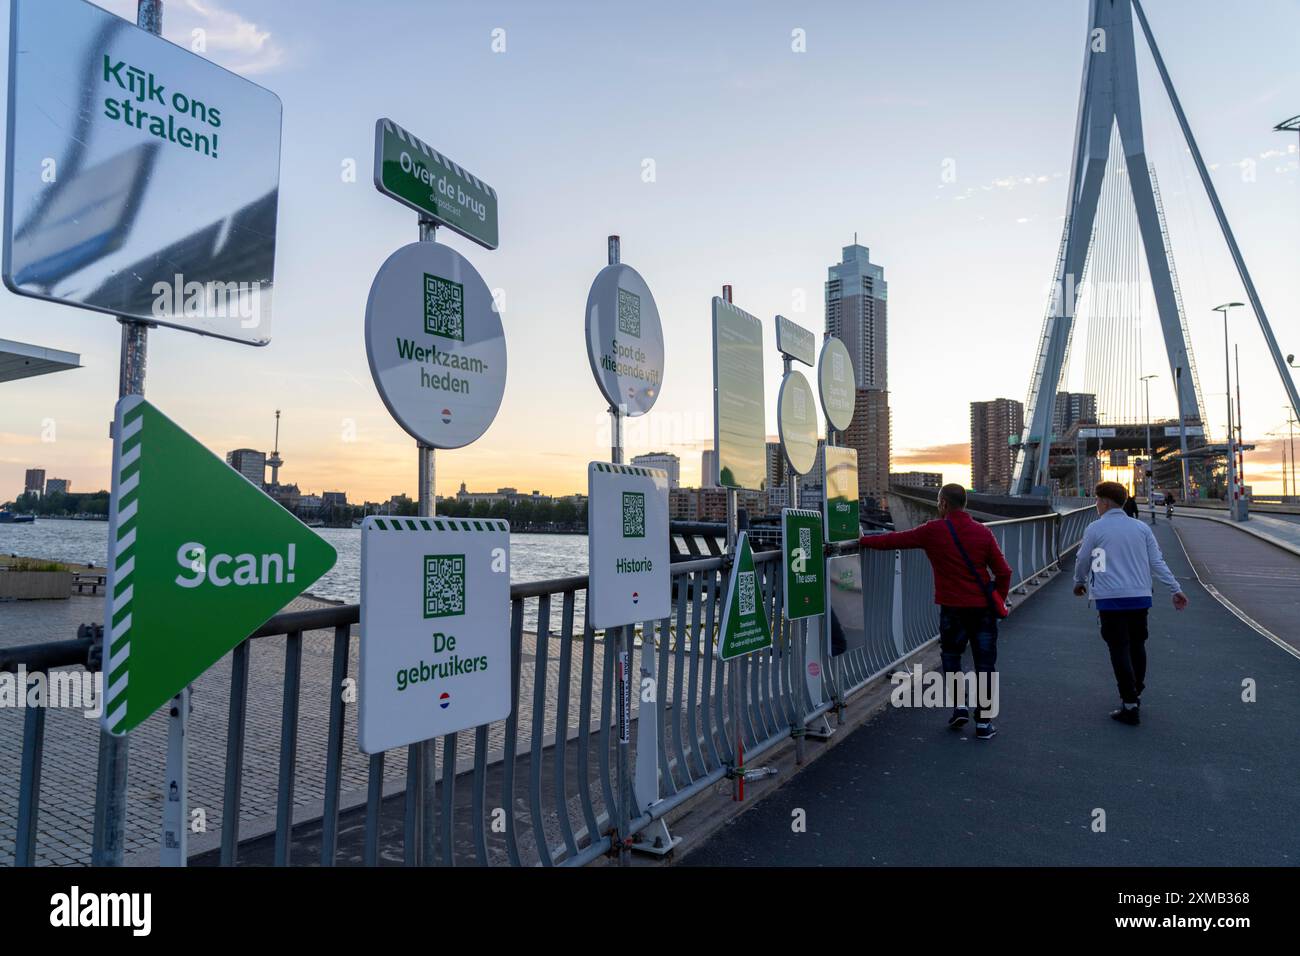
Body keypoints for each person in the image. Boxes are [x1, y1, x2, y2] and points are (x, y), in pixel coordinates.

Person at [859, 483, 1011, 739]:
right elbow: (1004, 572)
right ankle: (984, 723)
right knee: (985, 663)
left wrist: (863, 540)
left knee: (951, 656)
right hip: (982, 610)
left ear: (942, 504)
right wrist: (999, 598)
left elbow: (895, 540)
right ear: (964, 504)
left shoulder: (933, 531)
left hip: (953, 609)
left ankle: (959, 706)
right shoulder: (982, 533)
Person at [1073, 481, 1188, 725]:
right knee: (1137, 645)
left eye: (1096, 500)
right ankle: (1136, 690)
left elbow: (1083, 559)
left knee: (1118, 648)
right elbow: (1157, 562)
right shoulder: (1141, 528)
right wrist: (1175, 589)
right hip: (1139, 596)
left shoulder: (1095, 528)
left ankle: (1129, 702)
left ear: (1103, 501)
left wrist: (1078, 581)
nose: (1096, 505)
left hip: (1109, 599)